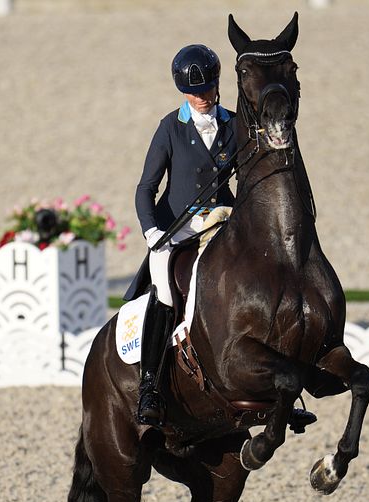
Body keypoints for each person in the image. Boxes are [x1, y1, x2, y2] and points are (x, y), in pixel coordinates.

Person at [133, 44, 238, 426]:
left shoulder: (236, 124)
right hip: (176, 229)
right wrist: (152, 232)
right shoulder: (170, 128)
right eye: (195, 92)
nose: (203, 97)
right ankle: (149, 386)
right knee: (164, 291)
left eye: (208, 88)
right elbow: (145, 188)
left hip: (224, 224)